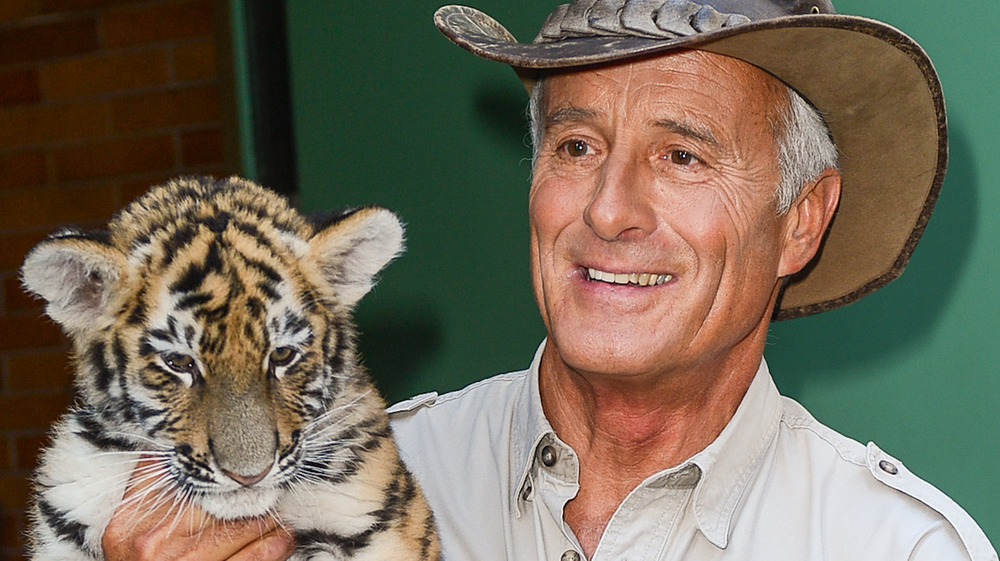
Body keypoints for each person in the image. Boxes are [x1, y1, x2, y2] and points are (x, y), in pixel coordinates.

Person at [102, 0, 998, 559]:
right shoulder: (320, 494)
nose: (609, 210)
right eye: (577, 146)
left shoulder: (896, 546)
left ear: (801, 217)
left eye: (682, 154)